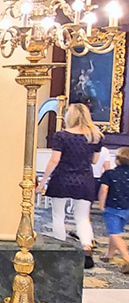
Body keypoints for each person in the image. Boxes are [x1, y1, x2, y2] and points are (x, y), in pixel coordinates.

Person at [38, 102, 104, 268]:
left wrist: (43, 181)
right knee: (82, 218)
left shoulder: (62, 136)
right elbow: (94, 160)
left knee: (58, 216)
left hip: (63, 178)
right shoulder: (96, 137)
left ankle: (61, 250)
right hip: (85, 179)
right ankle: (86, 248)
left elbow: (55, 160)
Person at [98, 146, 129, 271]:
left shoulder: (110, 174)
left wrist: (101, 203)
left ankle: (127, 257)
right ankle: (109, 254)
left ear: (117, 160)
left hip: (113, 208)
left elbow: (104, 189)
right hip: (127, 208)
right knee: (116, 230)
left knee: (115, 234)